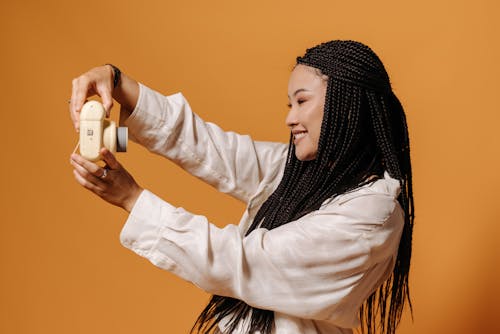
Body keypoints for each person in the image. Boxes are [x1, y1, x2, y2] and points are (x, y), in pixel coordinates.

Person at [69, 40, 414, 334]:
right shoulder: (298, 170)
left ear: (346, 105)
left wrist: (133, 199)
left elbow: (247, 262)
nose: (289, 118)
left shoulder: (373, 215)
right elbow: (210, 149)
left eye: (302, 101)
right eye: (289, 105)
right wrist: (116, 81)